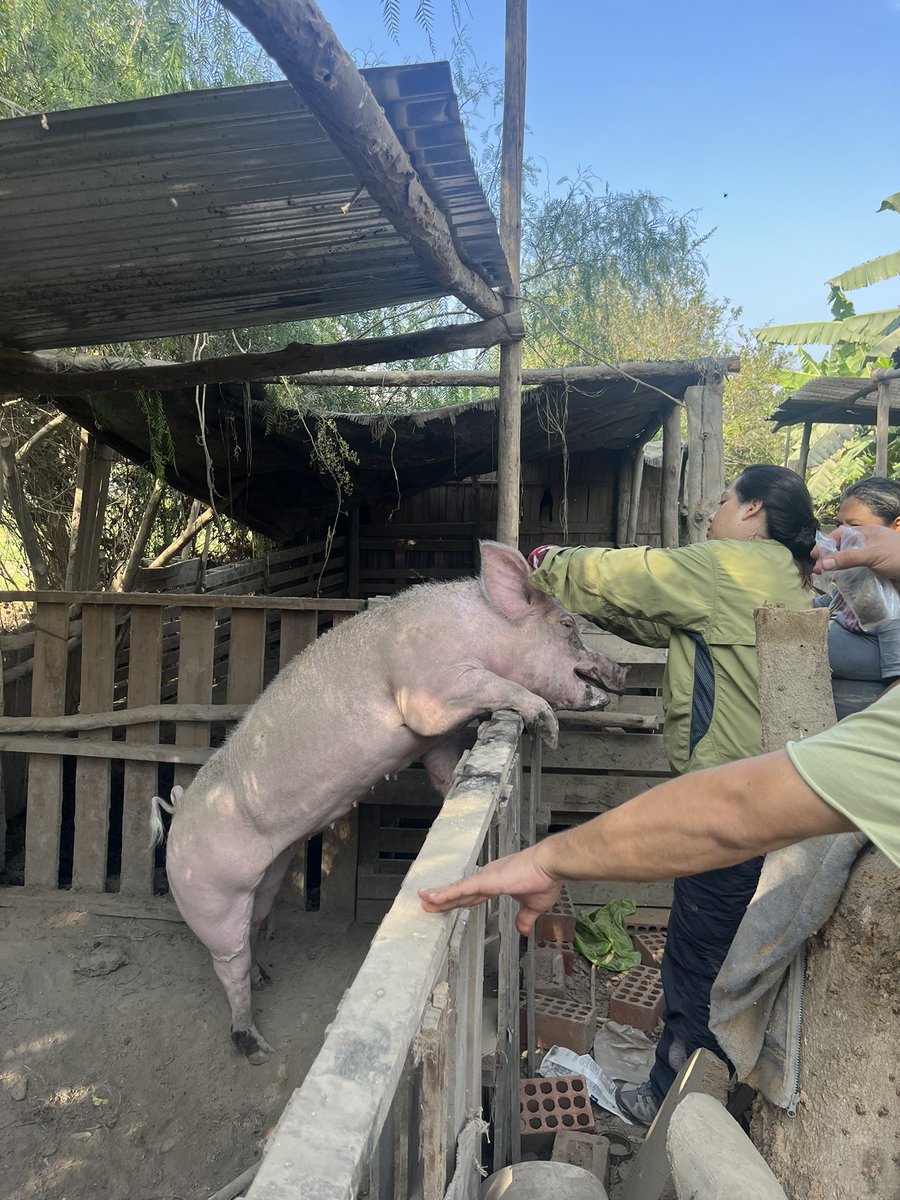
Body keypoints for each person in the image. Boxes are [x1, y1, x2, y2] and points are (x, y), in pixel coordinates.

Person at [514, 464, 819, 1125]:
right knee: (737, 952)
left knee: (698, 953)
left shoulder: (725, 564)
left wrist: (548, 563)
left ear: (752, 510)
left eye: (722, 498)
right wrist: (581, 608)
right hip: (781, 797)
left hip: (728, 803)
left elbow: (636, 574)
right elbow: (659, 619)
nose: (712, 510)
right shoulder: (788, 575)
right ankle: (723, 1088)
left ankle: (675, 1103)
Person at [813, 477, 900, 718]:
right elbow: (815, 609)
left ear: (897, 527)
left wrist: (850, 733)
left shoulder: (890, 601)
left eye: (855, 526)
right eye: (839, 525)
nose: (843, 535)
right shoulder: (856, 587)